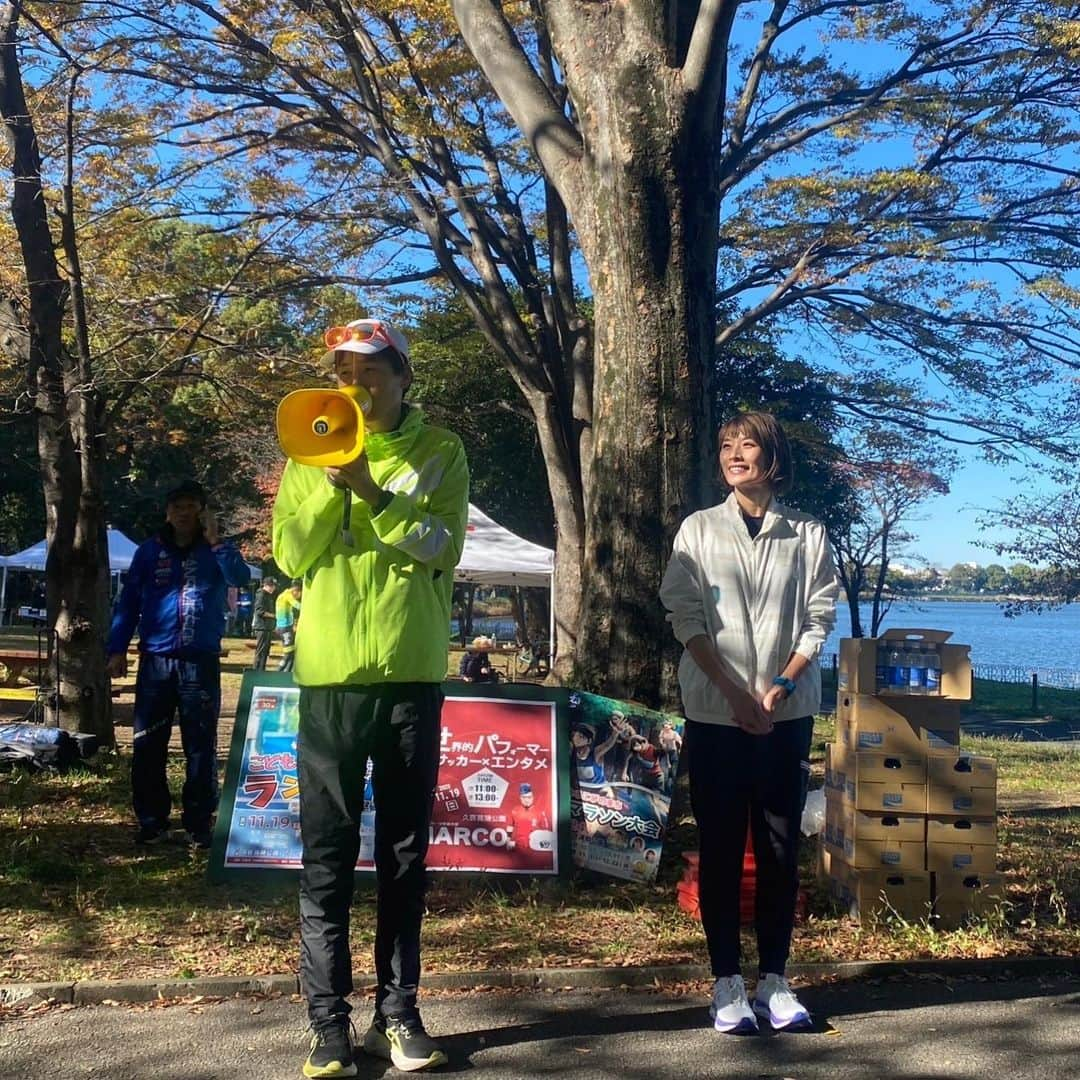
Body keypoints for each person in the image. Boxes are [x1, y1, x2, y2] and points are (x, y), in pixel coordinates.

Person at [273, 317, 468, 1077]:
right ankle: (327, 1025)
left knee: (403, 857)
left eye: (368, 367)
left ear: (401, 376)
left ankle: (399, 1013)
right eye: (342, 368)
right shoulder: (306, 451)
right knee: (325, 859)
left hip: (410, 681)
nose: (352, 380)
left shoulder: (441, 449)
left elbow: (442, 547)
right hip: (327, 684)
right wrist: (329, 488)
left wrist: (370, 490)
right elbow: (289, 552)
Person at [660, 410, 838, 1035]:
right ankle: (726, 983)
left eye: (749, 444)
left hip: (786, 713)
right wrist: (736, 695)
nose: (735, 454)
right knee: (719, 846)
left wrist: (782, 684)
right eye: (727, 444)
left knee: (781, 847)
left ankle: (776, 981)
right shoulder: (698, 531)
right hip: (715, 712)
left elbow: (818, 618)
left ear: (773, 457)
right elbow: (686, 619)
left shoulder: (808, 534)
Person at [106, 480, 251, 848]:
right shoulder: (148, 552)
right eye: (176, 506)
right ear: (167, 512)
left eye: (190, 506)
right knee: (148, 744)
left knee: (200, 746)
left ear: (201, 511)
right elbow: (128, 603)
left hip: (200, 664)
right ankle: (152, 821)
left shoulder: (217, 551)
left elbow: (241, 577)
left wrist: (218, 542)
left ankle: (199, 822)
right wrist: (117, 648)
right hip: (156, 662)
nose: (183, 513)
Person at [506, 782, 552, 866]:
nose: (527, 800)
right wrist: (508, 840)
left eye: (529, 797)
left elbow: (546, 832)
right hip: (518, 850)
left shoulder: (540, 812)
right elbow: (510, 826)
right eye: (524, 797)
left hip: (534, 851)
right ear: (520, 798)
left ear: (533, 798)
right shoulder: (515, 810)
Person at [275, 580, 303, 672]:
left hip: (282, 627)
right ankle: (278, 671)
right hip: (285, 628)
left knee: (292, 653)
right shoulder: (287, 595)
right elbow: (298, 606)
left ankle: (286, 673)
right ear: (296, 590)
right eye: (299, 594)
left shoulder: (282, 594)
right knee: (288, 653)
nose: (299, 596)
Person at [252, 577, 277, 671]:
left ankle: (262, 669)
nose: (273, 588)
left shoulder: (268, 595)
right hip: (262, 627)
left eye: (274, 586)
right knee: (261, 650)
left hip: (267, 627)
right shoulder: (261, 594)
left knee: (266, 651)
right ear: (265, 585)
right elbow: (259, 611)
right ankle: (256, 670)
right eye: (271, 586)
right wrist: (274, 616)